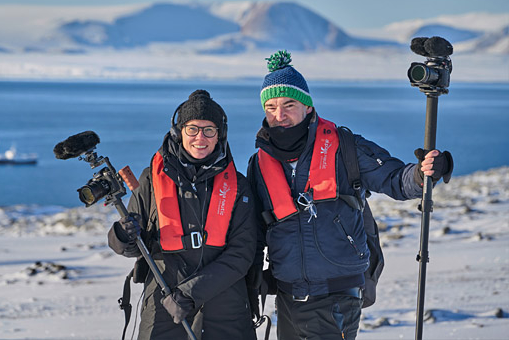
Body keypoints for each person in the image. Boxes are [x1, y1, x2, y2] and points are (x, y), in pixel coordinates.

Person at [246, 51, 453, 340]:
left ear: (307, 107)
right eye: (270, 106)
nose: (279, 115)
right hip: (288, 298)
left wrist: (421, 174)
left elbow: (395, 180)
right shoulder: (260, 163)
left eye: (288, 104)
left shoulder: (344, 146)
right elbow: (254, 228)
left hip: (337, 296)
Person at [108, 89, 258, 339]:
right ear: (179, 132)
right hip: (163, 302)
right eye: (192, 129)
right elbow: (133, 248)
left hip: (226, 310)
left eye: (209, 129)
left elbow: (242, 253)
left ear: (220, 135)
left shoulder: (239, 187)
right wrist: (122, 236)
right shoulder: (150, 180)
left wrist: (190, 293)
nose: (201, 137)